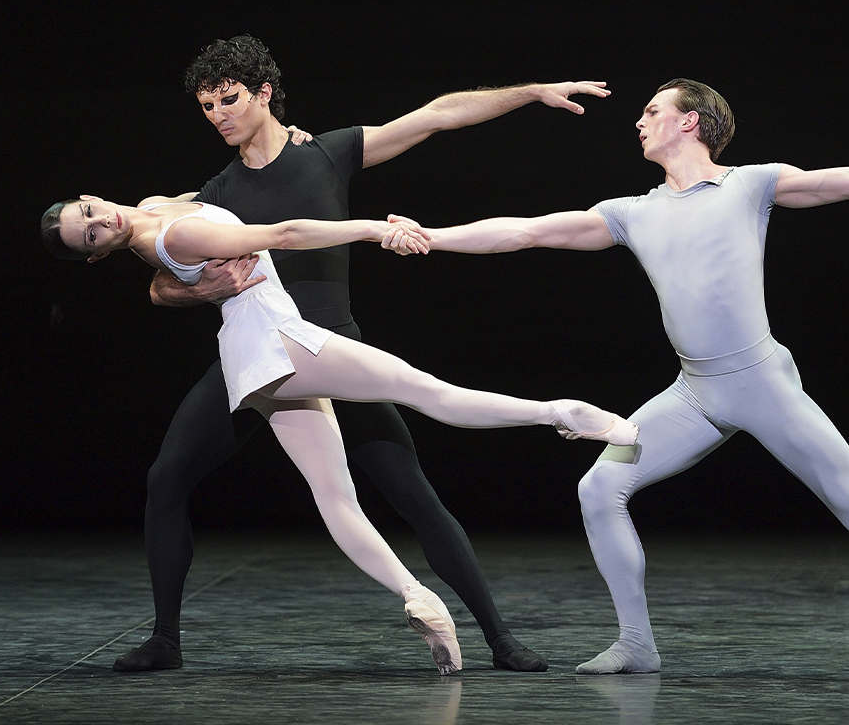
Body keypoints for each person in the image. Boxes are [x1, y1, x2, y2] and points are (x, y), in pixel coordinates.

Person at [387, 79, 849, 682]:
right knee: (599, 487)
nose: (640, 121)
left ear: (691, 123)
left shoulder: (750, 185)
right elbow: (525, 233)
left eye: (653, 111)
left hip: (762, 383)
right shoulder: (631, 212)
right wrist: (433, 237)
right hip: (694, 393)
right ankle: (636, 643)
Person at [124, 35, 614, 673]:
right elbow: (152, 253)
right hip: (260, 358)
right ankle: (165, 640)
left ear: (264, 93)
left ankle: (498, 638)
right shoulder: (215, 192)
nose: (219, 115)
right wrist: (184, 292)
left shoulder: (325, 153)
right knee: (166, 480)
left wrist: (529, 93)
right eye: (208, 107)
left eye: (230, 99)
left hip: (334, 348)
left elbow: (436, 115)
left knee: (411, 493)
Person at [41, 194, 636, 674]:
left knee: (335, 493)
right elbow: (286, 234)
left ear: (93, 198)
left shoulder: (155, 206)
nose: (100, 221)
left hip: (253, 361)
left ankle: (416, 595)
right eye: (89, 234)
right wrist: (376, 230)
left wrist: (178, 287)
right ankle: (558, 413)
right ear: (96, 254)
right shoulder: (171, 236)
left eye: (88, 212)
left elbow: (171, 265)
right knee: (428, 392)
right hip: (279, 339)